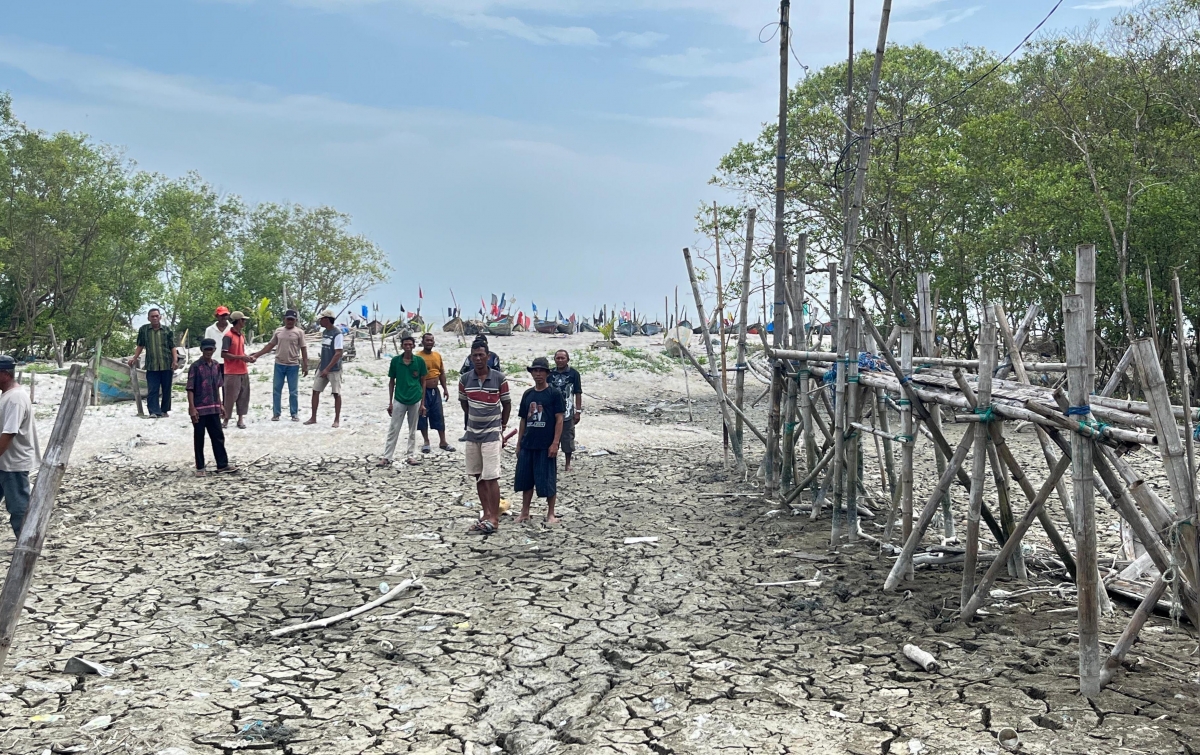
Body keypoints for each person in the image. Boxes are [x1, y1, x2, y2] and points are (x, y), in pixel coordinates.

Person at [459, 339, 510, 535]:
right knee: (478, 475)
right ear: (471, 358)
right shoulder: (465, 380)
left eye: (481, 355)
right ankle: (486, 513)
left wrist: (502, 426)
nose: (478, 359)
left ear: (488, 356)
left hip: (491, 434)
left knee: (491, 476)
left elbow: (507, 404)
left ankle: (494, 518)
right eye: (474, 356)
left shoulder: (499, 378)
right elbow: (464, 404)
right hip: (472, 434)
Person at [515, 357, 564, 524]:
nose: (538, 374)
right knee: (526, 479)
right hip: (528, 443)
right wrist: (519, 443)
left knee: (548, 480)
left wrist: (555, 443)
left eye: (541, 371)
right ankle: (525, 512)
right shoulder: (528, 394)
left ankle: (551, 513)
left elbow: (559, 419)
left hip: (546, 444)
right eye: (535, 371)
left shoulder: (554, 394)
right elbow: (523, 420)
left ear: (547, 373)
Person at [187, 339, 237, 477]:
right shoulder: (195, 367)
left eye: (210, 349)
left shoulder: (216, 365)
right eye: (206, 349)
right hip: (200, 409)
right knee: (199, 438)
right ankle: (200, 467)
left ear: (214, 350)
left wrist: (221, 404)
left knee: (218, 436)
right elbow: (190, 388)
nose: (208, 352)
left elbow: (218, 387)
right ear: (202, 350)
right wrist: (192, 408)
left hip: (214, 407)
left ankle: (222, 464)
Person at [0, 355, 37, 538]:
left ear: (5, 374)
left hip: (13, 463)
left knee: (18, 506)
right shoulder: (8, 396)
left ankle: (26, 542)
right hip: (4, 461)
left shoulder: (15, 398)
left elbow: (9, 433)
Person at [377, 334, 427, 467]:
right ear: (402, 346)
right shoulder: (395, 361)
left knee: (412, 429)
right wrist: (390, 402)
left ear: (414, 345)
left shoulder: (419, 361)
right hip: (399, 398)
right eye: (406, 344)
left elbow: (423, 382)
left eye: (410, 344)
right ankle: (387, 456)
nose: (408, 347)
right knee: (394, 428)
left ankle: (410, 455)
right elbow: (391, 381)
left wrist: (423, 403)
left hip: (415, 397)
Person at [251, 309, 309, 422]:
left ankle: (294, 413)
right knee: (276, 390)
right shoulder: (278, 331)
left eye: (292, 319)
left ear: (296, 320)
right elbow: (269, 346)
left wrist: (305, 365)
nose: (290, 321)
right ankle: (276, 414)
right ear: (284, 319)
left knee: (293, 391)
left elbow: (303, 349)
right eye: (288, 319)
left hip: (293, 365)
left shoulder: (299, 332)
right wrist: (257, 355)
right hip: (279, 364)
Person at [128, 307, 177, 418]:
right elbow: (140, 345)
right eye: (152, 316)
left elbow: (172, 346)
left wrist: (175, 360)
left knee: (166, 389)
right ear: (148, 318)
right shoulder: (144, 330)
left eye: (156, 316)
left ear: (160, 317)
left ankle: (164, 410)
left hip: (166, 363)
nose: (155, 318)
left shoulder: (167, 330)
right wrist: (135, 358)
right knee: (153, 389)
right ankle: (154, 411)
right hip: (152, 365)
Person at [417, 332, 454, 453]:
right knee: (423, 415)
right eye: (427, 340)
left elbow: (442, 373)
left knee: (438, 415)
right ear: (422, 342)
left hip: (435, 391)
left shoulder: (437, 355)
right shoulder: (418, 357)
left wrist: (445, 389)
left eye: (431, 340)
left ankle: (443, 441)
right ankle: (426, 441)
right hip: (423, 391)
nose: (429, 342)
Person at [307, 309, 343, 428]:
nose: (320, 321)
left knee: (336, 393)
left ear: (327, 319)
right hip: (323, 367)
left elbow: (338, 353)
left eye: (321, 319)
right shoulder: (325, 333)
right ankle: (313, 417)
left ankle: (336, 419)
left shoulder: (337, 333)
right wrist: (321, 366)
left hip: (334, 369)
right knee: (315, 390)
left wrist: (328, 368)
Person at [548, 349, 583, 471]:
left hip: (568, 411)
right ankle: (552, 463)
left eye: (563, 358)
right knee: (550, 438)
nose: (560, 360)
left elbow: (578, 393)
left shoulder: (574, 374)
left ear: (568, 359)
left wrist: (578, 411)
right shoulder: (550, 373)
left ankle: (568, 464)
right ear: (554, 359)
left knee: (567, 437)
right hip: (551, 412)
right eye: (558, 358)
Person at [221, 311, 255, 429]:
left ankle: (240, 419)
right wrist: (241, 357)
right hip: (231, 372)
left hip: (243, 370)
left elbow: (240, 352)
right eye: (243, 320)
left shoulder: (241, 335)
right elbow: (223, 354)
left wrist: (247, 358)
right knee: (230, 397)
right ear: (239, 321)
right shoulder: (228, 336)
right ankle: (226, 419)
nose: (244, 322)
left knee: (243, 396)